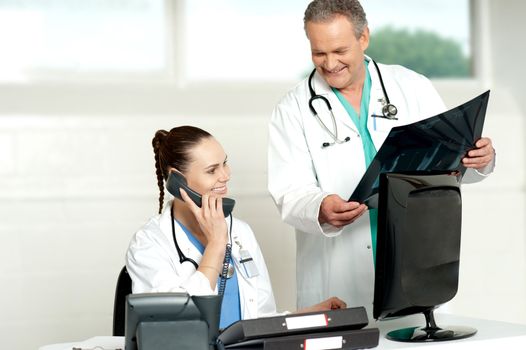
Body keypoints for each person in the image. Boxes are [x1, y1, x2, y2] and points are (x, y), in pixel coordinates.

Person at [267, 0, 495, 315]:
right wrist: (320, 207)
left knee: (416, 336)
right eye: (319, 53)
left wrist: (478, 159)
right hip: (339, 268)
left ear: (364, 38)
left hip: (412, 254)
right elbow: (288, 191)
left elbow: (446, 164)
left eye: (340, 51)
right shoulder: (293, 109)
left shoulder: (410, 86)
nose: (330, 64)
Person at [126, 125, 346, 329]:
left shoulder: (241, 232)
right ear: (177, 181)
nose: (225, 175)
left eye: (224, 163)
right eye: (212, 170)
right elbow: (178, 325)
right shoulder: (149, 243)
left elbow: (258, 321)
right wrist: (216, 245)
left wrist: (309, 316)